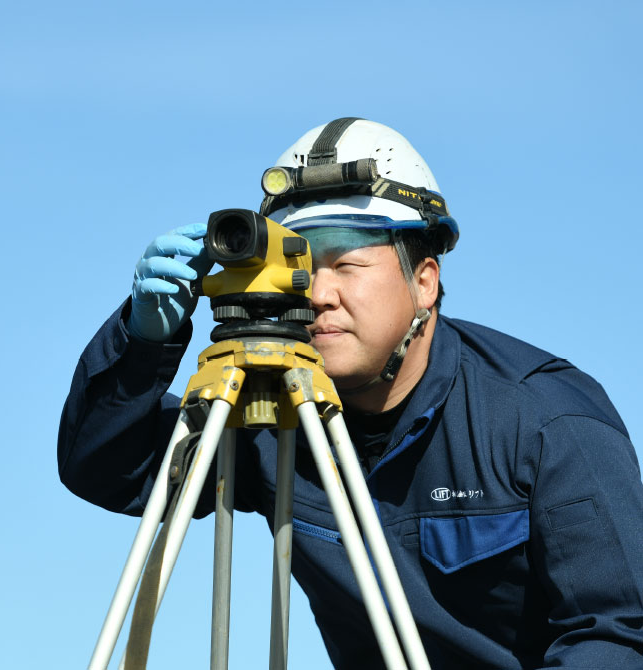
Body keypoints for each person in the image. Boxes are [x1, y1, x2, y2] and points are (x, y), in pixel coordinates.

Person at [58, 118, 643, 669]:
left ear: (424, 282)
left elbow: (617, 632)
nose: (318, 294)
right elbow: (110, 470)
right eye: (303, 265)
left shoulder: (543, 419)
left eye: (346, 262)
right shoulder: (269, 419)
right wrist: (140, 349)